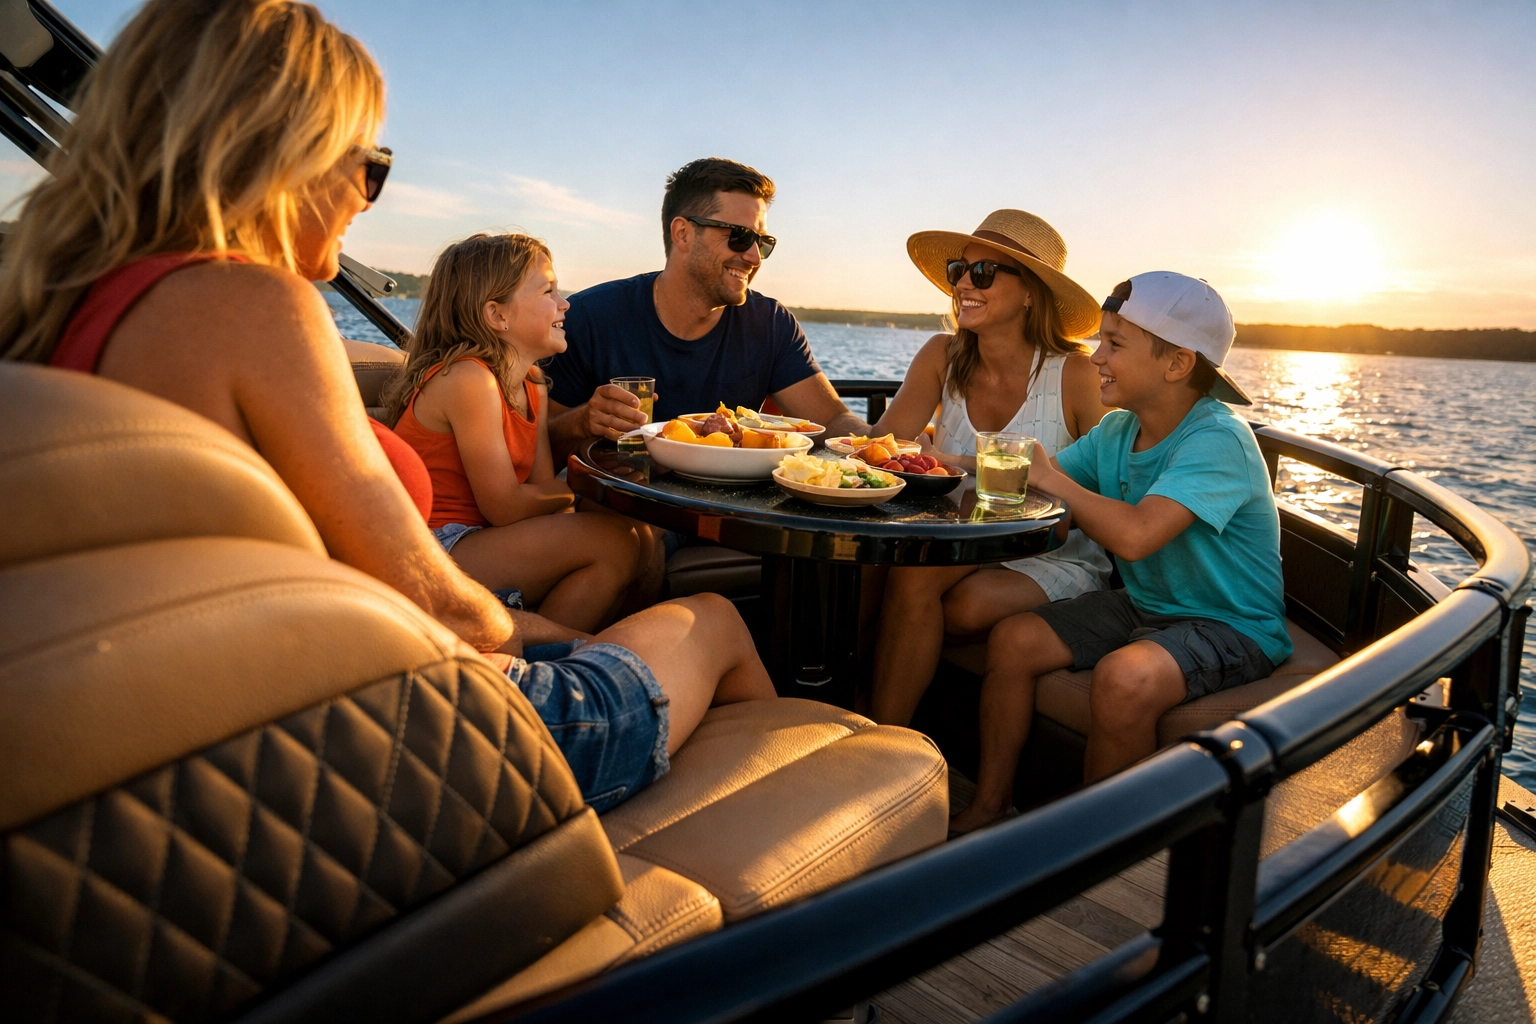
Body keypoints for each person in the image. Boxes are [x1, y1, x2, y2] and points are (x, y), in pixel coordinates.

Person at [0, 0, 775, 812]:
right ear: (276, 152)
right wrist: (554, 645)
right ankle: (825, 913)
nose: (367, 197)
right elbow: (432, 602)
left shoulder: (62, 314)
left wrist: (548, 635)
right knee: (715, 622)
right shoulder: (247, 305)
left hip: (264, 737)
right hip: (411, 753)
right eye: (366, 163)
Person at [948, 273, 1292, 833]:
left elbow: (1135, 535)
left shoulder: (1218, 439)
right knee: (1015, 638)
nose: (1095, 355)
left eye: (1114, 344)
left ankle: (1095, 848)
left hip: (1230, 624)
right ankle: (992, 806)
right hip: (1145, 604)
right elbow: (1038, 478)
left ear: (1177, 363)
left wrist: (1051, 483)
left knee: (1123, 678)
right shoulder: (1118, 432)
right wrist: (926, 467)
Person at [865, 210, 1113, 727]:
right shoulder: (943, 355)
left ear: (1030, 293)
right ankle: (852, 717)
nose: (962, 285)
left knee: (936, 597)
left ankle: (879, 740)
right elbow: (886, 444)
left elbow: (1115, 483)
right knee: (869, 569)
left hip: (1050, 549)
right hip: (955, 540)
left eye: (982, 273)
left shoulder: (1076, 374)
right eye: (960, 269)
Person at [386, 233, 658, 632]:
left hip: (484, 537)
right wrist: (592, 483)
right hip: (434, 547)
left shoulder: (532, 383)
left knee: (640, 537)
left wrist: (595, 498)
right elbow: (507, 506)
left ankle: (558, 644)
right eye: (549, 290)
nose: (565, 303)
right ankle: (539, 663)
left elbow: (544, 489)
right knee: (613, 543)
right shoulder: (468, 380)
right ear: (497, 316)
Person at [546, 157, 869, 458]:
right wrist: (583, 421)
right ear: (683, 234)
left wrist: (886, 445)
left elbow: (831, 420)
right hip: (620, 511)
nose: (754, 257)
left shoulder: (770, 323)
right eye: (740, 237)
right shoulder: (590, 317)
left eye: (763, 242)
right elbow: (537, 448)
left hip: (731, 513)